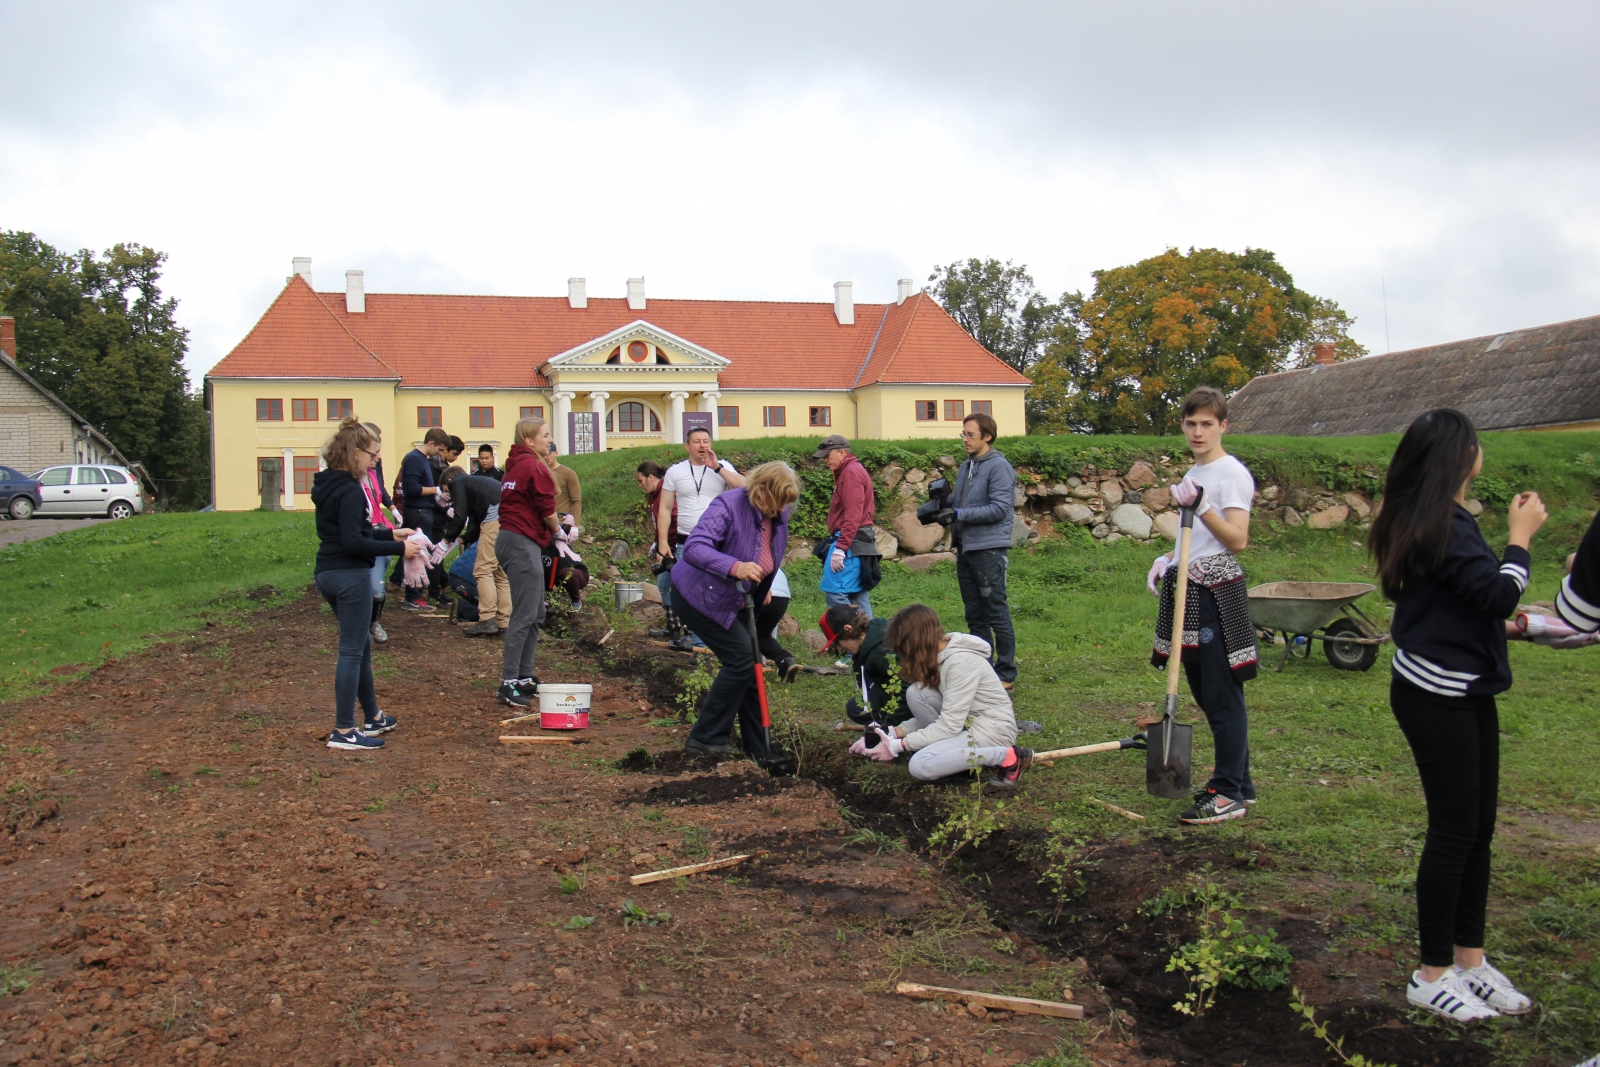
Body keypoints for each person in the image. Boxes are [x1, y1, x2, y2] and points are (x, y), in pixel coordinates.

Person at [1368, 407, 1546, 1022]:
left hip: (1465, 688)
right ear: (1458, 457)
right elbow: (1496, 591)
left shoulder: (1433, 518)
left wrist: (1517, 625)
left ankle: (1471, 962)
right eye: (1474, 443)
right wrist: (1520, 537)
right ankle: (1431, 973)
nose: (1480, 450)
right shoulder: (1446, 523)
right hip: (1436, 694)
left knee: (1479, 832)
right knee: (1453, 834)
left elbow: (1470, 603)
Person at [1146, 387, 1260, 825]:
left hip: (1215, 592)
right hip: (1190, 588)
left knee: (1221, 693)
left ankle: (1228, 791)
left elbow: (1237, 539)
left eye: (1207, 424)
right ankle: (1240, 783)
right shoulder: (1197, 470)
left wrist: (1204, 507)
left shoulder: (1230, 474)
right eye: (1191, 423)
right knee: (1204, 692)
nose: (1198, 431)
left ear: (1223, 426)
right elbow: (1195, 539)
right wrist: (1169, 558)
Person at [672, 461, 798, 760]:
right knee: (741, 661)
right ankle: (705, 738)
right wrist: (735, 567)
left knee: (753, 667)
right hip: (698, 596)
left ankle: (760, 749)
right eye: (777, 500)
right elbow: (695, 548)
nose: (780, 509)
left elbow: (770, 554)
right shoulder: (728, 505)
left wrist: (764, 588)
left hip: (737, 598)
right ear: (761, 488)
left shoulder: (778, 511)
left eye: (785, 503)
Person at [310, 417, 420, 750]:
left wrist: (389, 532)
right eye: (372, 455)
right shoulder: (351, 490)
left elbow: (349, 533)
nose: (375, 461)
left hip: (327, 572)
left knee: (360, 647)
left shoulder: (328, 484)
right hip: (349, 575)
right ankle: (344, 730)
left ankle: (373, 717)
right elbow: (354, 544)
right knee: (351, 652)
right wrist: (399, 547)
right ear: (354, 452)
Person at [849, 604, 1030, 786]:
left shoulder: (961, 663)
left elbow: (949, 725)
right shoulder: (938, 658)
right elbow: (942, 714)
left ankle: (1008, 756)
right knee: (917, 692)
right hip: (967, 724)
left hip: (992, 731)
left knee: (920, 765)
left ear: (915, 641)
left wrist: (900, 745)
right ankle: (959, 760)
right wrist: (893, 732)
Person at [938, 412, 1019, 688]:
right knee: (974, 612)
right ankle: (983, 668)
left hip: (989, 549)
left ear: (988, 436)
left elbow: (999, 508)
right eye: (963, 434)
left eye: (970, 434)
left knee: (995, 609)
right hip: (966, 548)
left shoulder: (999, 467)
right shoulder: (967, 466)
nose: (965, 439)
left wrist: (959, 514)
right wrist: (941, 501)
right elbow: (960, 501)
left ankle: (1006, 672)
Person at [658, 428, 746, 651]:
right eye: (696, 441)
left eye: (706, 441)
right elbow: (665, 508)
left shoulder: (722, 465)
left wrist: (717, 467)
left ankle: (719, 642)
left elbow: (744, 487)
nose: (702, 445)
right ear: (687, 446)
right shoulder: (675, 472)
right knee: (691, 593)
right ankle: (699, 645)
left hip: (718, 542)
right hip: (686, 542)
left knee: (716, 591)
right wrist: (662, 543)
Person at [496, 417, 561, 709]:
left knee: (535, 612)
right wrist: (560, 533)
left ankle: (524, 676)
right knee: (524, 614)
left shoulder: (514, 466)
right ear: (530, 441)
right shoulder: (534, 466)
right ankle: (509, 681)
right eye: (545, 435)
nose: (550, 440)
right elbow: (547, 509)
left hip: (514, 540)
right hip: (521, 542)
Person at [436, 472, 511, 637]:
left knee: (483, 569)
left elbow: (460, 516)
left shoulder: (457, 481)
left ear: (448, 481)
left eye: (446, 491)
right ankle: (504, 622)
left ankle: (487, 619)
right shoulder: (477, 488)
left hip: (496, 517)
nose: (449, 497)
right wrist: (458, 540)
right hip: (509, 517)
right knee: (500, 572)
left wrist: (445, 541)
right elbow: (477, 526)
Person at [814, 434, 877, 619]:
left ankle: (852, 643)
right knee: (856, 593)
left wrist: (841, 548)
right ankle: (869, 643)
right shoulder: (853, 469)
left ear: (842, 452)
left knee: (836, 593)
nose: (825, 460)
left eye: (828, 455)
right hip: (858, 541)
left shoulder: (850, 473)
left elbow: (853, 514)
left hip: (850, 541)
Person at [819, 603, 900, 727]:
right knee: (856, 707)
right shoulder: (862, 647)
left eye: (838, 642)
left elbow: (905, 690)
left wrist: (893, 729)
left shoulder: (881, 653)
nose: (839, 649)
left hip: (912, 700)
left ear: (848, 629)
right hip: (887, 695)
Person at [397, 427, 449, 609]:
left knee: (420, 555)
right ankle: (412, 597)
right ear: (431, 443)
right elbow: (411, 488)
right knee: (416, 556)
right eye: (440, 449)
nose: (440, 454)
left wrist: (439, 499)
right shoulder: (414, 459)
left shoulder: (422, 460)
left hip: (423, 511)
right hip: (417, 512)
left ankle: (416, 595)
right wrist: (435, 490)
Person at [360, 422, 402, 644]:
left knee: (384, 559)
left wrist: (392, 507)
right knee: (376, 589)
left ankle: (372, 616)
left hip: (379, 523)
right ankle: (370, 621)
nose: (377, 456)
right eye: (374, 451)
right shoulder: (351, 478)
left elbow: (380, 488)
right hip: (368, 529)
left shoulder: (375, 467)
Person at [637, 461, 679, 638]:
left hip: (677, 544)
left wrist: (666, 543)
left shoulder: (665, 492)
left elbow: (675, 518)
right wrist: (657, 542)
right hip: (668, 544)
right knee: (664, 584)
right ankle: (674, 627)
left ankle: (683, 630)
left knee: (674, 586)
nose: (640, 485)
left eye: (641, 480)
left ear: (651, 477)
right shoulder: (655, 494)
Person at [554, 513, 591, 612]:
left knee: (566, 573)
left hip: (574, 572)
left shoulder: (559, 535)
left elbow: (564, 531)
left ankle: (576, 600)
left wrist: (573, 525)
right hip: (551, 575)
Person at [546, 443, 582, 524]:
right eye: (543, 454)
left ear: (556, 453)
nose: (546, 457)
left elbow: (576, 501)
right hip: (544, 524)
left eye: (549, 453)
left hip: (563, 523)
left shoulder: (568, 473)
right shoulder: (539, 473)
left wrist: (575, 526)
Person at [447, 543, 481, 621]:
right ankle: (461, 609)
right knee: (494, 611)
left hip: (458, 575)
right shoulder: (506, 543)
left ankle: (464, 608)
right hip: (464, 579)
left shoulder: (488, 536)